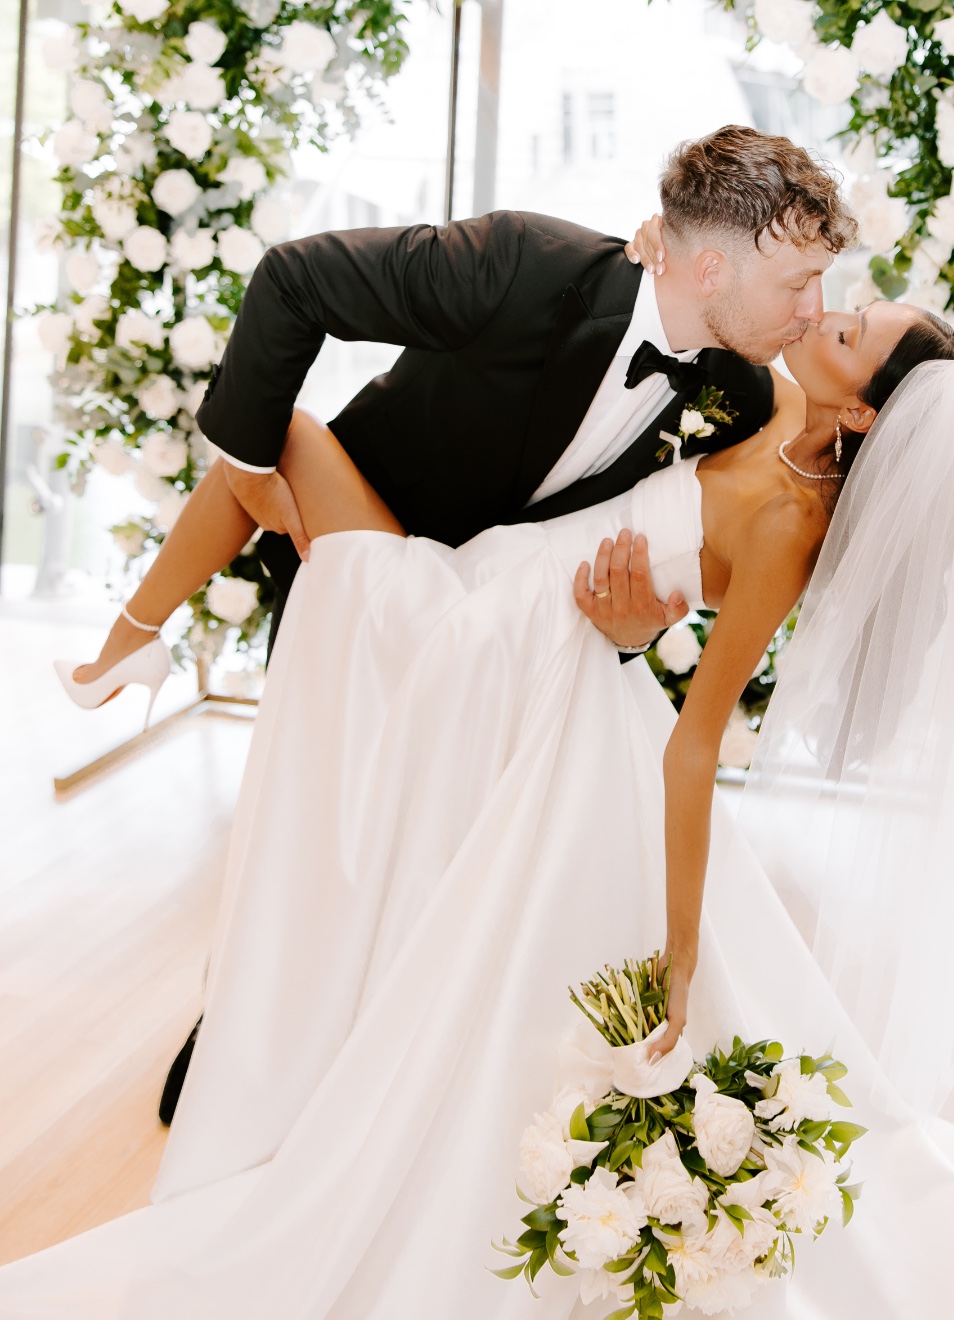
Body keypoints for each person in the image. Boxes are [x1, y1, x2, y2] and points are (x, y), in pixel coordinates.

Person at [12, 294, 954, 1316]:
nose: (827, 313)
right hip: (493, 592)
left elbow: (696, 745)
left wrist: (684, 953)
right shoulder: (766, 402)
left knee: (280, 440)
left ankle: (126, 648)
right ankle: (131, 648)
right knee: (273, 444)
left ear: (867, 415)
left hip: (495, 648)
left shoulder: (793, 525)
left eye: (846, 330)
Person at [57, 124, 850, 1120]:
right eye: (798, 284)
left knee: (408, 853)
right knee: (306, 821)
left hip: (494, 616)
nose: (816, 308)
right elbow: (295, 279)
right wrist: (254, 474)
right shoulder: (523, 266)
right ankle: (237, 1035)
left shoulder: (734, 389)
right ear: (703, 262)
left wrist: (636, 625)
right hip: (364, 559)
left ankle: (363, 1058)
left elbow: (687, 539)